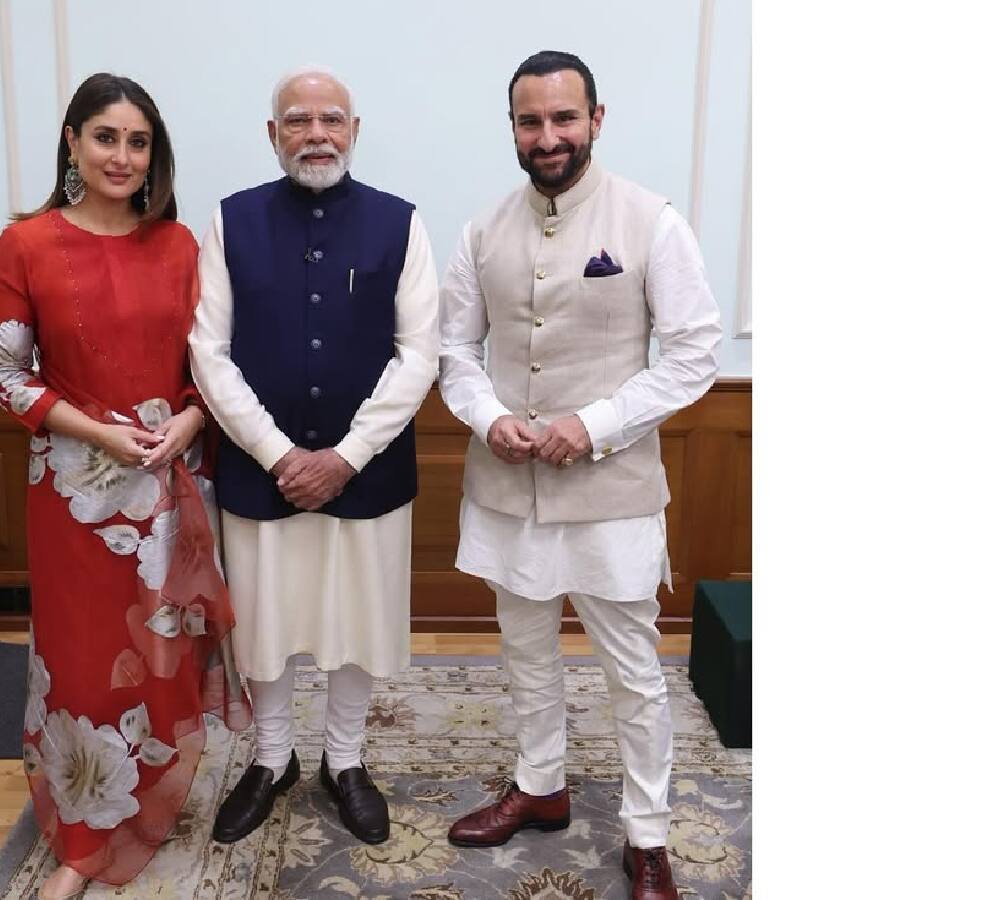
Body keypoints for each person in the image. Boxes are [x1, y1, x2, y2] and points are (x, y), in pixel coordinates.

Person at [436, 51, 722, 900]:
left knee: (632, 672)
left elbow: (697, 351)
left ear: (597, 119)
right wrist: (491, 419)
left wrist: (591, 426)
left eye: (565, 118)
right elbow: (454, 351)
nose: (548, 135)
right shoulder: (482, 230)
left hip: (612, 494)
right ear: (514, 129)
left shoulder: (651, 221)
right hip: (505, 490)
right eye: (531, 121)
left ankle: (648, 835)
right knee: (525, 656)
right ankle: (540, 785)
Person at [0, 72, 251, 900]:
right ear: (72, 141)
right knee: (84, 660)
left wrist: (191, 422)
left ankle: (146, 799)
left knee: (160, 655)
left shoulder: (180, 249)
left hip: (169, 489)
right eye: (106, 138)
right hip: (72, 497)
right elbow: (1, 374)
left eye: (138, 142)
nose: (122, 157)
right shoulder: (24, 244)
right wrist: (99, 431)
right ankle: (84, 834)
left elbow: (213, 371)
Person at [188, 66, 439, 847]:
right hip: (260, 473)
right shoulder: (230, 222)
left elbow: (419, 353)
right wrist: (275, 453)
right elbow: (208, 352)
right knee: (264, 623)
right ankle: (270, 759)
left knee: (356, 621)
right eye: (297, 120)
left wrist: (347, 456)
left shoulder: (402, 223)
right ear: (273, 134)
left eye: (332, 119)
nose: (316, 133)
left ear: (355, 131)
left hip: (367, 473)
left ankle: (346, 759)